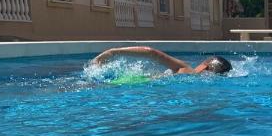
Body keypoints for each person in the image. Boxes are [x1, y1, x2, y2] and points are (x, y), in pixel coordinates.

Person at [91, 46, 232, 76]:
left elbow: (152, 53)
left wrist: (113, 52)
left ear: (205, 65)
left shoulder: (186, 69)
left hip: (135, 81)